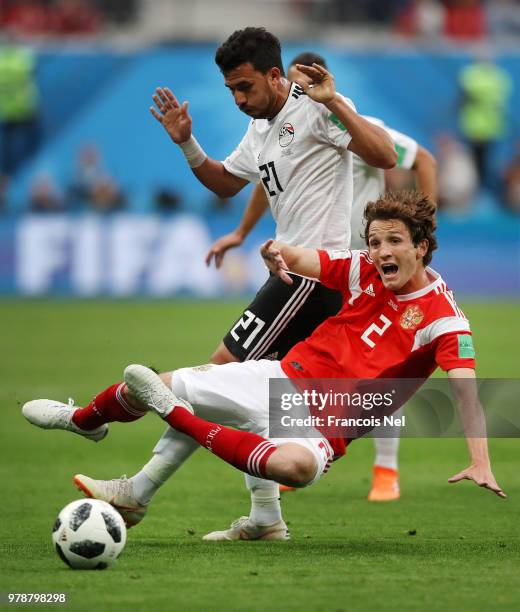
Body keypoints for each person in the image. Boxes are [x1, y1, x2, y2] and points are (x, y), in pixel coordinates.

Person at [30, 30, 393, 535]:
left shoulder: (316, 109)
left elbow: (385, 157)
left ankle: (125, 471)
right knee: (250, 391)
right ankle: (266, 517)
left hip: (314, 277)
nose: (240, 100)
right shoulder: (262, 128)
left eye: (245, 87)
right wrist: (187, 143)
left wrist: (336, 103)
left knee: (213, 375)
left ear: (274, 75)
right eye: (231, 91)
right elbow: (227, 182)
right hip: (294, 274)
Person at [23, 190, 506, 541]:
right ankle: (82, 420)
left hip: (326, 424)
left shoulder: (445, 321)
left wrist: (480, 461)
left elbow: (466, 391)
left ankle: (180, 447)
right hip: (280, 378)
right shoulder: (363, 268)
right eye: (375, 242)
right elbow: (305, 258)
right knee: (156, 383)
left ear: (421, 246)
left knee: (293, 468)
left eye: (394, 242)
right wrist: (276, 251)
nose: (381, 252)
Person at [207, 52, 438, 501]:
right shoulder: (282, 128)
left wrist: (422, 230)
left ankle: (384, 470)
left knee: (374, 366)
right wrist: (240, 232)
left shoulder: (353, 122)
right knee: (296, 370)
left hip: (369, 264)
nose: (296, 96)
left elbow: (421, 158)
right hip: (318, 266)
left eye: (303, 86)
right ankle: (293, 457)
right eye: (292, 88)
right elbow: (266, 181)